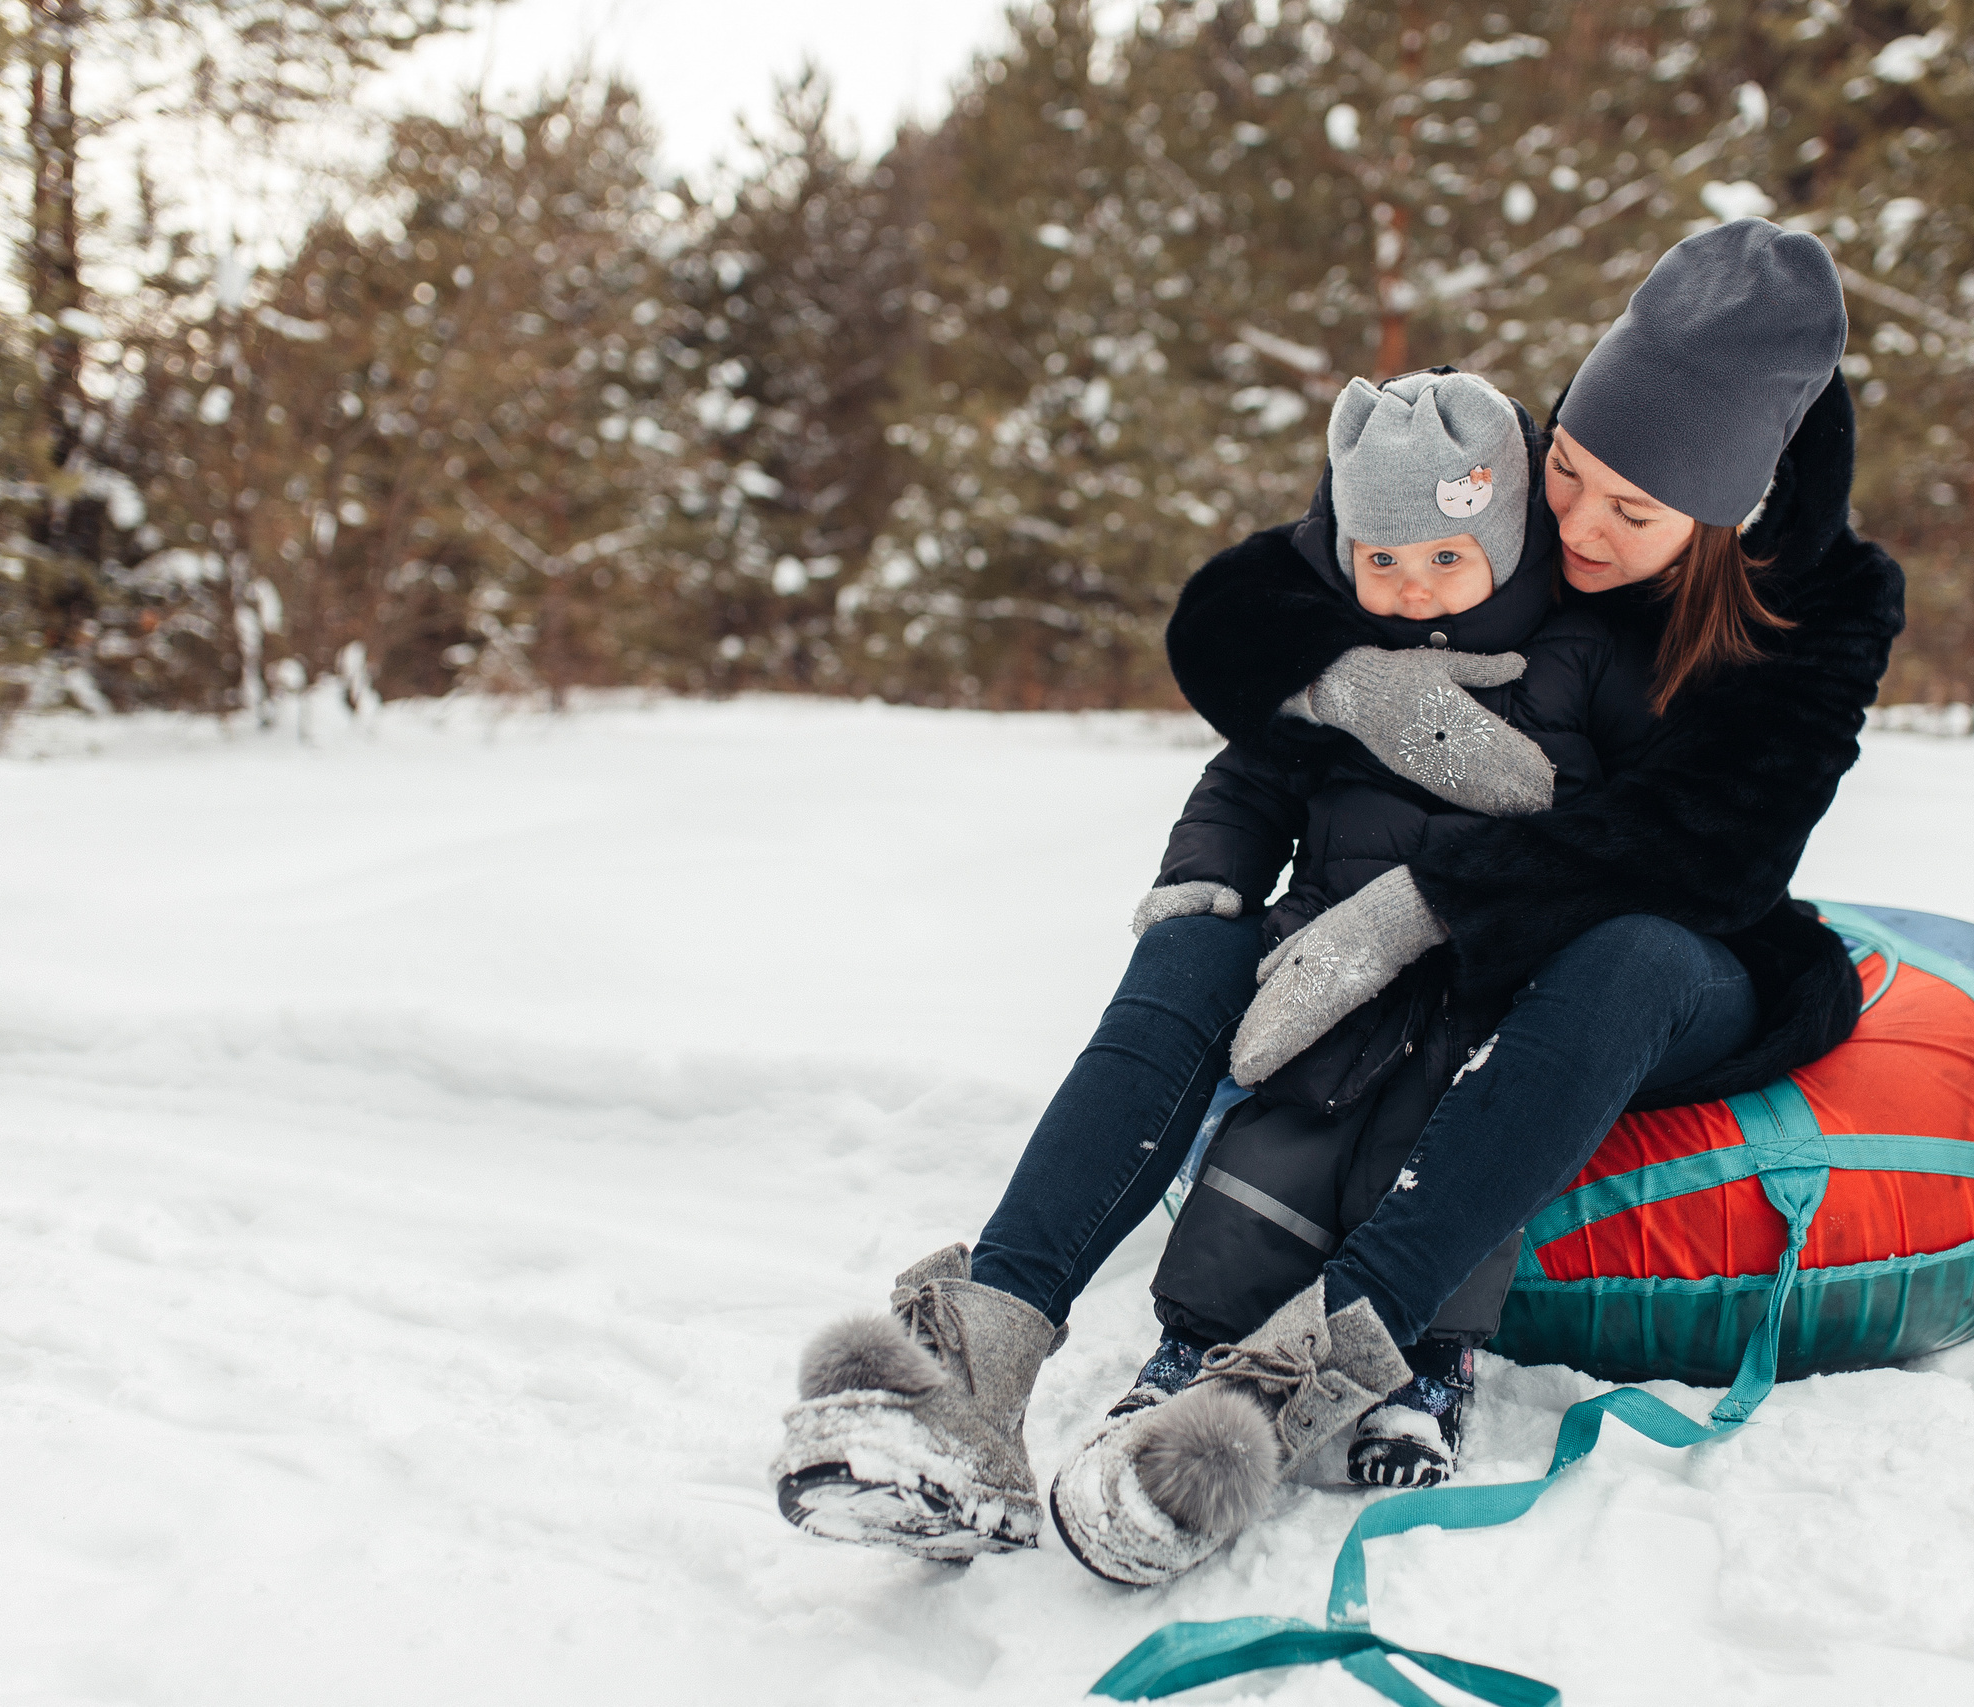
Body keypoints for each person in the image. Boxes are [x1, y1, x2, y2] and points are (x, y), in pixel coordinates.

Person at [771, 218, 1905, 1580]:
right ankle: (984, 1345)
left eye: (1633, 514)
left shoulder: (1824, 603)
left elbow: (1715, 847)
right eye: (1570, 473)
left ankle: (1307, 1362)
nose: (1580, 526)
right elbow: (1240, 609)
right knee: (1202, 942)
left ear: (1732, 509)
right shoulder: (1513, 486)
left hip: (1682, 941)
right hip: (1433, 888)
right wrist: (1348, 687)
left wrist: (1425, 901)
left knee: (1638, 951)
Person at [1089, 367, 1655, 1521]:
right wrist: (1204, 878)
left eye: (1445, 558)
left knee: (1437, 1144)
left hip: (1488, 959)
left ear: (1504, 540)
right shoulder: (1333, 672)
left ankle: (1427, 1365)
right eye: (1380, 563)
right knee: (1277, 1135)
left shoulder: (1583, 656)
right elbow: (1247, 783)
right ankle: (1192, 1344)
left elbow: (1642, 803)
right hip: (1330, 954)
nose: (1408, 590)